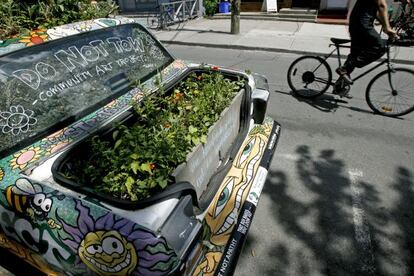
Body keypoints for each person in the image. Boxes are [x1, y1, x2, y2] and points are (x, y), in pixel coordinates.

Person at [336, 0, 399, 86]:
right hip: (363, 25)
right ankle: (344, 69)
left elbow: (376, 12)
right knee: (379, 46)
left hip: (357, 24)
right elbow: (381, 5)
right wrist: (387, 28)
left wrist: (386, 25)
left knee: (355, 55)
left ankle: (340, 85)